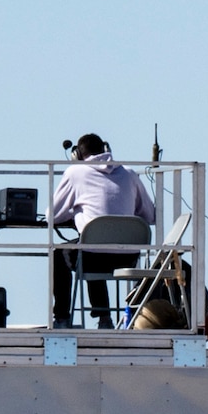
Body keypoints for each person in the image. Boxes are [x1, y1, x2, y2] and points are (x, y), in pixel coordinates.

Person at [48, 133, 157, 328]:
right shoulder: (130, 174)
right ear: (106, 150)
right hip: (127, 257)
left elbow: (52, 216)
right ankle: (105, 318)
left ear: (77, 155)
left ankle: (62, 318)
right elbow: (150, 216)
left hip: (92, 256)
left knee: (65, 253)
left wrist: (76, 212)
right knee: (93, 242)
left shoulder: (75, 173)